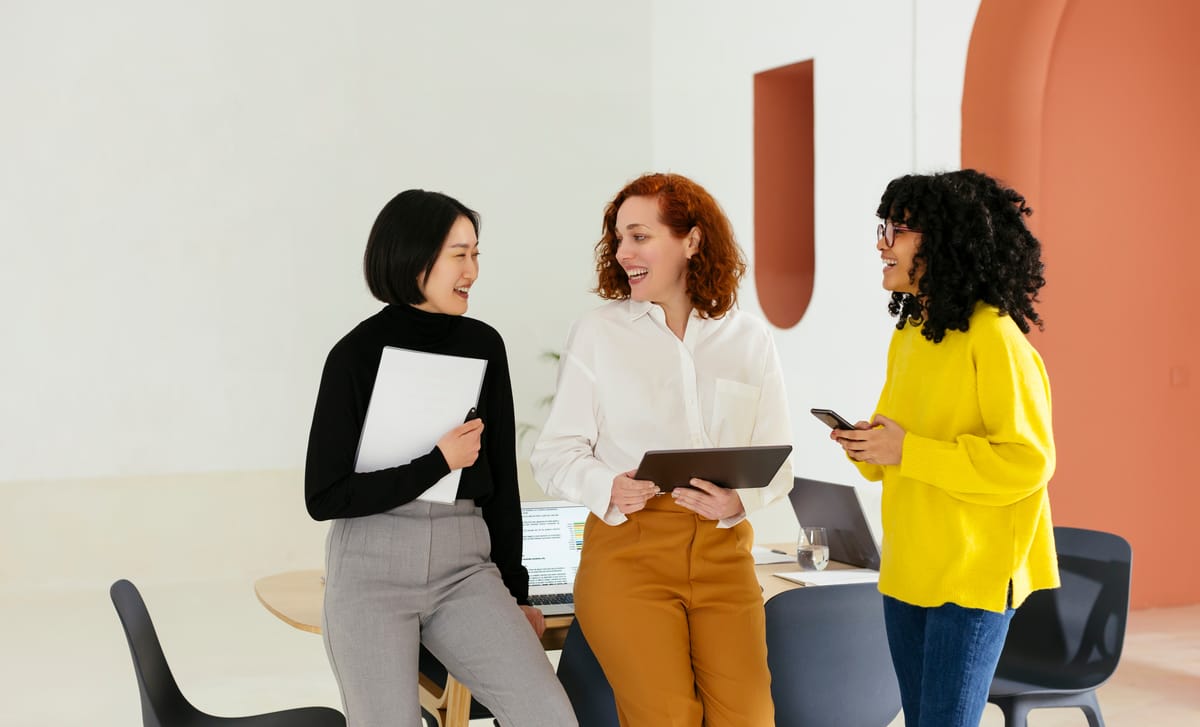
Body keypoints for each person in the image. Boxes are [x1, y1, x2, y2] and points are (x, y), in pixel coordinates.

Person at [304, 189, 577, 727]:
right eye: (460, 254)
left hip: (465, 566)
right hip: (371, 569)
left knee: (548, 716)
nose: (472, 270)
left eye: (477, 254)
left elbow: (500, 480)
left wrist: (517, 591)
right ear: (414, 259)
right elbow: (324, 495)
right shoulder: (354, 355)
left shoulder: (484, 344)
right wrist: (437, 462)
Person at [531, 172, 793, 726]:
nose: (624, 252)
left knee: (749, 718)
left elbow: (777, 457)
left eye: (639, 236)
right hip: (631, 554)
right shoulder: (598, 334)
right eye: (619, 239)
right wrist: (610, 486)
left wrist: (740, 502)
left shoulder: (747, 337)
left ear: (691, 241)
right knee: (666, 719)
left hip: (725, 558)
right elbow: (555, 453)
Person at [830, 169, 1058, 727]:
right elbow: (901, 451)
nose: (882, 242)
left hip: (974, 572)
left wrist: (907, 452)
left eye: (899, 230)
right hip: (909, 565)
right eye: (883, 226)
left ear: (946, 241)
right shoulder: (913, 332)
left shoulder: (996, 337)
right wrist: (867, 447)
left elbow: (1029, 462)